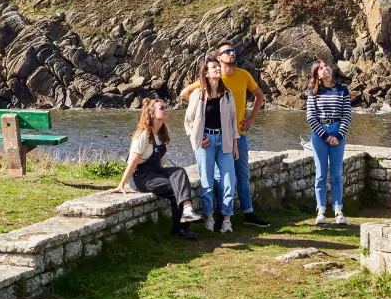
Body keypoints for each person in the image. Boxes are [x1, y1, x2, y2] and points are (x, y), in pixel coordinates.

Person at [111, 97, 202, 239]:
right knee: (175, 189)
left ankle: (187, 210)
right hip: (141, 177)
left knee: (179, 172)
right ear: (152, 113)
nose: (166, 110)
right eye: (162, 108)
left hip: (155, 172)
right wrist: (121, 184)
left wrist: (166, 176)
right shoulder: (143, 135)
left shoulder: (161, 133)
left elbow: (161, 163)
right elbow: (133, 162)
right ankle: (181, 229)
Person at [214, 43, 271, 227]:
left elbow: (259, 95)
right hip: (218, 137)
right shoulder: (214, 77)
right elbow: (187, 93)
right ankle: (220, 215)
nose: (232, 54)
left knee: (243, 175)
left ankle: (248, 213)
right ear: (218, 58)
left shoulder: (244, 75)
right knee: (220, 177)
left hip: (240, 134)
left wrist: (251, 119)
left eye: (233, 51)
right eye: (227, 52)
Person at [183, 58, 240, 232]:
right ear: (206, 73)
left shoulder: (227, 94)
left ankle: (227, 219)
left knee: (229, 180)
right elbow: (188, 121)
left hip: (225, 141)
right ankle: (209, 217)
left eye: (218, 67)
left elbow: (233, 121)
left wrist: (235, 145)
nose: (217, 69)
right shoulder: (198, 94)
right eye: (213, 67)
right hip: (206, 142)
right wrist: (198, 138)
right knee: (207, 181)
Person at [305, 60, 353, 225]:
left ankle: (338, 211)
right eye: (321, 68)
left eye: (326, 66)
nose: (325, 69)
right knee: (320, 175)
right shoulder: (314, 91)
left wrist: (338, 136)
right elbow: (311, 116)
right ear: (317, 74)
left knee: (336, 175)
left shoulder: (343, 90)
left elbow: (347, 115)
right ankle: (321, 211)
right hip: (320, 135)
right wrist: (325, 136)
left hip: (337, 131)